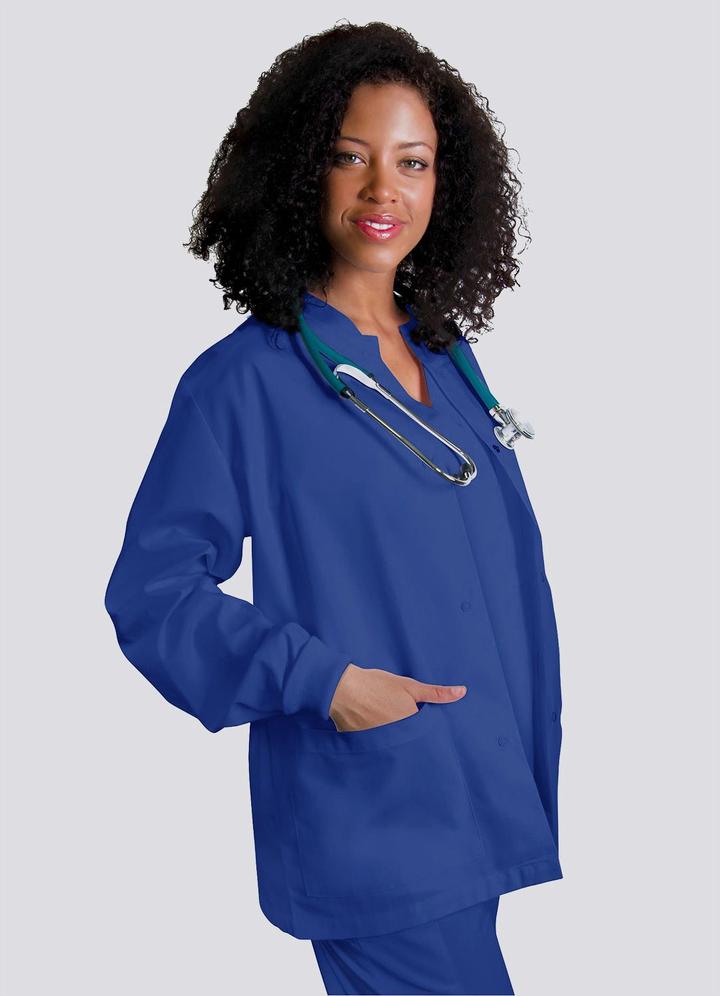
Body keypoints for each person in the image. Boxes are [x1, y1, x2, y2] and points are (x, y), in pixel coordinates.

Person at [104, 20, 563, 996]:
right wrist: (324, 682)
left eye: (412, 162)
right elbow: (152, 594)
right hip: (379, 810)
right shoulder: (244, 383)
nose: (383, 189)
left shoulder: (444, 358)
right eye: (350, 156)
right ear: (298, 171)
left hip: (475, 790)